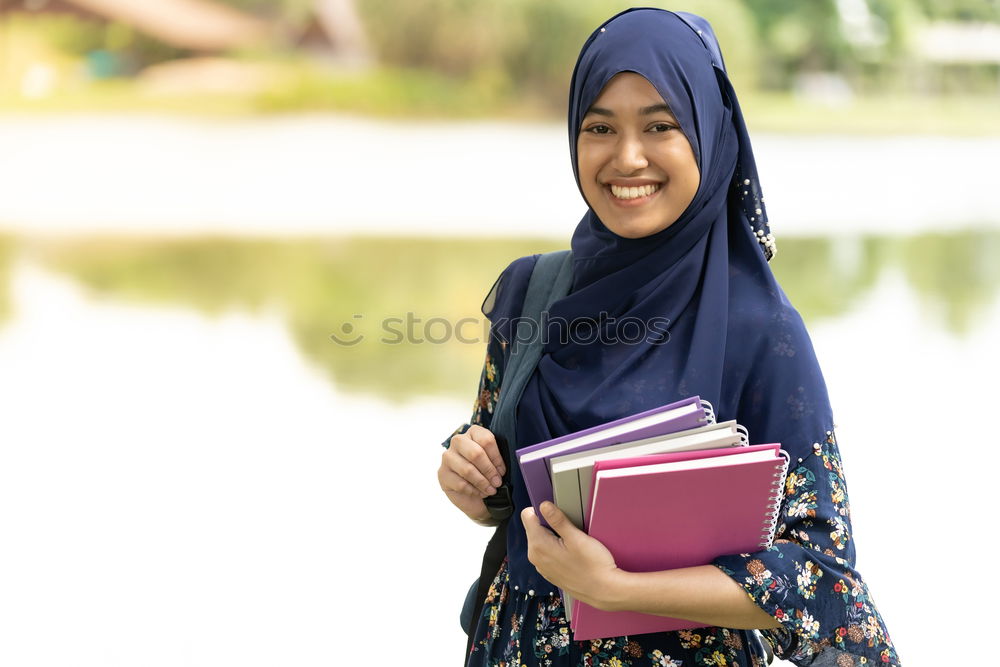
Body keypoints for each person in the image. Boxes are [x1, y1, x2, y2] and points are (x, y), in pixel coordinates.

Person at [438, 8, 898, 667]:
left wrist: (616, 588)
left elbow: (818, 577)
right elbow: (504, 487)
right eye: (600, 127)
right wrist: (470, 479)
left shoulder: (761, 330)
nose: (627, 157)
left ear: (709, 135)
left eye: (660, 126)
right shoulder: (530, 294)